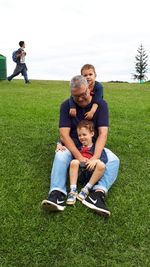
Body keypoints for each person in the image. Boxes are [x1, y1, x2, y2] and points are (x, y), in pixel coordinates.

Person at [41, 75, 120, 217]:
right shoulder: (66, 105)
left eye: (83, 94)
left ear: (89, 89)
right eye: (76, 96)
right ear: (71, 94)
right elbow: (64, 135)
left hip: (92, 146)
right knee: (60, 154)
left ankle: (97, 194)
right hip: (73, 145)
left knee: (114, 160)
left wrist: (95, 157)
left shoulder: (101, 105)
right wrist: (79, 156)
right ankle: (57, 193)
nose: (81, 98)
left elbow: (103, 134)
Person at [66, 119, 107, 205]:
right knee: (74, 162)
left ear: (92, 134)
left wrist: (95, 160)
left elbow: (104, 159)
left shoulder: (97, 147)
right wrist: (59, 144)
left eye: (84, 134)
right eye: (79, 135)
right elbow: (65, 140)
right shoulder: (78, 145)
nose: (81, 137)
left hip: (92, 175)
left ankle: (87, 189)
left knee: (101, 165)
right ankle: (73, 190)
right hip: (80, 173)